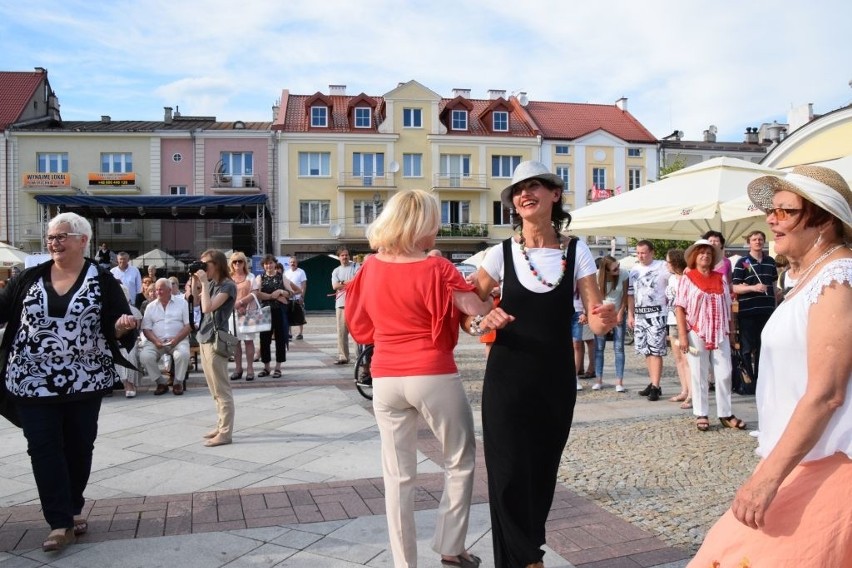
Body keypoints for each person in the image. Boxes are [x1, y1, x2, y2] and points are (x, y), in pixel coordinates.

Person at [690, 165, 852, 566]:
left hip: (832, 465)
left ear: (823, 218)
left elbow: (826, 394)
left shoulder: (837, 278)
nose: (771, 219)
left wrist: (766, 480)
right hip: (807, 459)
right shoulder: (812, 276)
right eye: (772, 210)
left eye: (785, 211)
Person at [470, 161, 615, 567]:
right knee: (507, 469)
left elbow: (595, 312)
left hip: (554, 378)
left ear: (555, 195)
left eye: (535, 186)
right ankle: (528, 558)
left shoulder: (577, 250)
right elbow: (467, 308)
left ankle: (525, 549)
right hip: (507, 377)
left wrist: (604, 319)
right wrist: (482, 319)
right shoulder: (499, 253)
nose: (524, 194)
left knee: (542, 469)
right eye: (518, 190)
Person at [345, 189, 491, 568]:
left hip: (386, 378)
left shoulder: (369, 268)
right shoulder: (438, 268)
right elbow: (477, 312)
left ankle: (403, 564)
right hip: (432, 372)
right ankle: (450, 547)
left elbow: (360, 329)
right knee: (459, 460)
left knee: (397, 476)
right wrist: (488, 291)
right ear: (423, 223)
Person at [0, 213, 138, 553]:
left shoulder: (102, 279)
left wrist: (121, 326)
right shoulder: (28, 278)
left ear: (82, 240)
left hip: (83, 380)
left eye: (62, 236)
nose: (54, 242)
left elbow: (118, 324)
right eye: (50, 237)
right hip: (30, 381)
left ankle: (72, 505)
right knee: (43, 448)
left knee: (79, 446)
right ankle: (59, 521)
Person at [674, 240, 742, 432]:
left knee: (725, 373)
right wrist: (683, 335)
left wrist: (732, 333)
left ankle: (726, 413)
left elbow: (728, 307)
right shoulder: (687, 279)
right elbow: (679, 307)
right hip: (697, 331)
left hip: (720, 332)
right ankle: (701, 413)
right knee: (699, 374)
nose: (705, 256)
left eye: (709, 254)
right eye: (701, 253)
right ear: (694, 257)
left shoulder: (720, 278)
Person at [189, 250, 236, 447]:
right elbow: (195, 301)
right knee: (214, 389)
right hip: (205, 337)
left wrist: (205, 284)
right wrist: (195, 280)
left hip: (217, 340)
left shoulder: (228, 286)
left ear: (216, 264)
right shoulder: (213, 284)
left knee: (222, 388)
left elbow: (207, 307)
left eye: (205, 264)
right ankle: (220, 425)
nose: (203, 268)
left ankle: (225, 433)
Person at [731, 230, 777, 387]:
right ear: (749, 242)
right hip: (749, 311)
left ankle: (761, 379)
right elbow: (735, 287)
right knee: (747, 347)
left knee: (763, 347)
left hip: (767, 310)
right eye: (754, 239)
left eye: (760, 239)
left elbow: (774, 285)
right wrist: (753, 288)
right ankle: (748, 380)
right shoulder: (743, 262)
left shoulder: (770, 261)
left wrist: (775, 304)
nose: (758, 241)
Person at [627, 240, 671, 402]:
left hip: (657, 314)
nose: (641, 256)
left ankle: (656, 385)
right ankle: (653, 382)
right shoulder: (634, 270)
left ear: (652, 252)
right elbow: (630, 295)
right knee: (646, 350)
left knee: (656, 350)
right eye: (638, 253)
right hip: (640, 315)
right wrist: (630, 315)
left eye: (644, 253)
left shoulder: (662, 267)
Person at [247, 254, 299, 378]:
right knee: (264, 339)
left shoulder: (282, 277)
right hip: (265, 311)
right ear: (263, 266)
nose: (268, 266)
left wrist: (281, 292)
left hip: (280, 311)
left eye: (270, 263)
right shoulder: (260, 278)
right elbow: (256, 294)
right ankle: (266, 367)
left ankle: (278, 367)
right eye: (266, 264)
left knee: (280, 339)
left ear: (275, 264)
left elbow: (291, 293)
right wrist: (271, 296)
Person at [139, 278, 192, 396]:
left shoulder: (182, 303)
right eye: (156, 290)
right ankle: (161, 382)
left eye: (161, 290)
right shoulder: (150, 306)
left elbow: (188, 326)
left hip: (178, 340)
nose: (158, 292)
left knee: (182, 354)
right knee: (145, 356)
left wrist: (176, 339)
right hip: (156, 341)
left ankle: (178, 382)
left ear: (169, 290)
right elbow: (146, 328)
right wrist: (155, 340)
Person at [593, 255, 628, 392]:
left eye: (618, 266)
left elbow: (625, 295)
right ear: (606, 270)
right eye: (614, 269)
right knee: (599, 348)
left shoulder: (624, 273)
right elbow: (595, 297)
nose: (618, 269)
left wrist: (620, 312)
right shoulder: (596, 276)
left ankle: (619, 381)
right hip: (602, 313)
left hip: (618, 311)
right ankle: (598, 380)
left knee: (619, 348)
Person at [664, 249, 692, 408]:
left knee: (688, 360)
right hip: (671, 320)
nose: (666, 264)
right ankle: (684, 390)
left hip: (684, 323)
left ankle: (692, 395)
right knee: (678, 359)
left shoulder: (687, 278)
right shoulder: (671, 279)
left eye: (668, 261)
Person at [229, 252, 258, 381]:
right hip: (232, 313)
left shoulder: (251, 277)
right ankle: (238, 368)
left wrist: (241, 303)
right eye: (234, 262)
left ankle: (250, 368)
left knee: (248, 341)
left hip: (248, 313)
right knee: (235, 342)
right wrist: (234, 305)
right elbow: (224, 294)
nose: (237, 264)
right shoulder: (228, 278)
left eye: (240, 261)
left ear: (244, 263)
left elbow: (254, 293)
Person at [331, 247, 358, 364]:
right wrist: (348, 283)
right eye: (342, 255)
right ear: (339, 257)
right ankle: (343, 356)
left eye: (346, 255)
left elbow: (357, 281)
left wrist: (342, 282)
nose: (345, 257)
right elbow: (335, 286)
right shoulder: (336, 271)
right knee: (341, 332)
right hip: (341, 304)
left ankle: (359, 356)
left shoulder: (356, 267)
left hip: (355, 304)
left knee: (357, 331)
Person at [284, 257, 308, 340]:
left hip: (298, 297)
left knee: (299, 316)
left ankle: (300, 333)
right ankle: (289, 333)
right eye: (291, 262)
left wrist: (302, 296)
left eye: (294, 262)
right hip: (288, 298)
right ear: (289, 263)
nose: (292, 264)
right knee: (288, 316)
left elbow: (303, 285)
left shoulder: (301, 272)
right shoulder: (286, 273)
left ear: (297, 263)